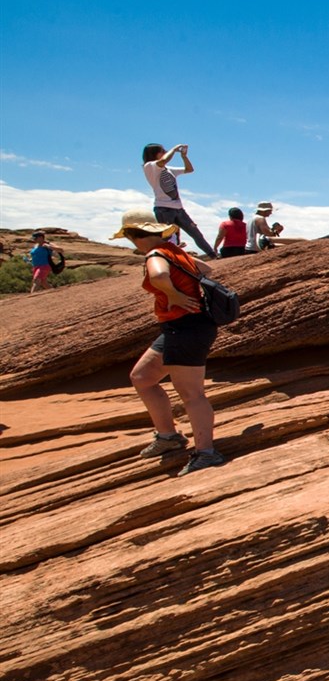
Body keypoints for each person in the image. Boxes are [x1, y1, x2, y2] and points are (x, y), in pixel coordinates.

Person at [110, 209, 226, 475]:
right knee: (142, 377)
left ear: (132, 235)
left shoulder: (155, 254)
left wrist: (173, 295)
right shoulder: (176, 252)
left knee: (191, 393)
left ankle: (206, 453)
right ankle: (168, 436)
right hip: (180, 328)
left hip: (186, 328)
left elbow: (158, 276)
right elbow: (207, 268)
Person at [141, 144, 219, 258]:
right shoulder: (149, 166)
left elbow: (189, 169)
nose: (165, 152)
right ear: (154, 154)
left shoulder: (168, 169)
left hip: (178, 208)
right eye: (162, 151)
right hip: (164, 209)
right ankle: (170, 259)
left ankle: (212, 255)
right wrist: (174, 149)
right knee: (169, 238)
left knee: (195, 233)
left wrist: (184, 156)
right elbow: (163, 160)